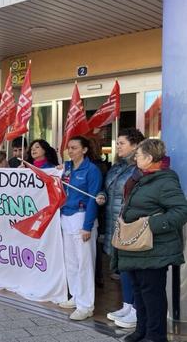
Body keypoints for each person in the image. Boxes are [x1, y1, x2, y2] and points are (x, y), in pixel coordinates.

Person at [112, 139, 187, 342]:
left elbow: (181, 211)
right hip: (135, 247)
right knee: (139, 293)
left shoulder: (165, 180)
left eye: (138, 154)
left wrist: (150, 226)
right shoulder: (141, 177)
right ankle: (142, 331)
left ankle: (155, 336)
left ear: (149, 157)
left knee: (152, 295)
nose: (135, 157)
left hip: (153, 249)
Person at [95, 128, 145, 328]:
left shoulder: (140, 168)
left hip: (130, 226)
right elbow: (108, 190)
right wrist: (102, 196)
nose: (118, 146)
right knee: (122, 267)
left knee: (131, 268)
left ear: (135, 145)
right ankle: (127, 305)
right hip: (113, 223)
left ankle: (135, 309)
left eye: (122, 143)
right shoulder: (116, 167)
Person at [59, 136, 102, 321]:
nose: (71, 151)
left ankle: (86, 305)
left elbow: (93, 198)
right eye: (69, 148)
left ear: (84, 150)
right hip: (66, 217)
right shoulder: (67, 167)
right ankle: (76, 296)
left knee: (85, 264)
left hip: (81, 218)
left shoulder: (92, 170)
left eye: (75, 148)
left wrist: (87, 226)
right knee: (71, 262)